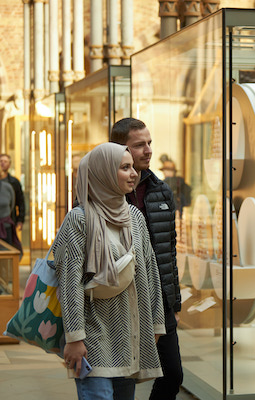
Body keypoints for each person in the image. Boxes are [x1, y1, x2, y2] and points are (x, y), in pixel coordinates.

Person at [52, 142, 166, 399]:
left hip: (128, 337)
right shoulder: (79, 219)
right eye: (124, 168)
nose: (134, 173)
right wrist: (74, 338)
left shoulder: (134, 217)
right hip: (92, 336)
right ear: (102, 172)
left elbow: (150, 271)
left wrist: (156, 325)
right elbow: (69, 282)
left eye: (132, 167)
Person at [110, 118, 183, 400]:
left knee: (173, 375)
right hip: (120, 300)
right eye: (139, 145)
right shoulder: (104, 194)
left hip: (160, 301)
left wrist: (174, 301)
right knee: (123, 381)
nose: (148, 150)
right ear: (120, 150)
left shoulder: (162, 190)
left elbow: (169, 250)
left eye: (149, 143)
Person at [0, 154, 23, 254]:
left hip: (8, 221)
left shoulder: (13, 182)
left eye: (5, 161)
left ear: (9, 164)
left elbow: (18, 202)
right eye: (1, 161)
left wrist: (20, 219)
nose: (2, 163)